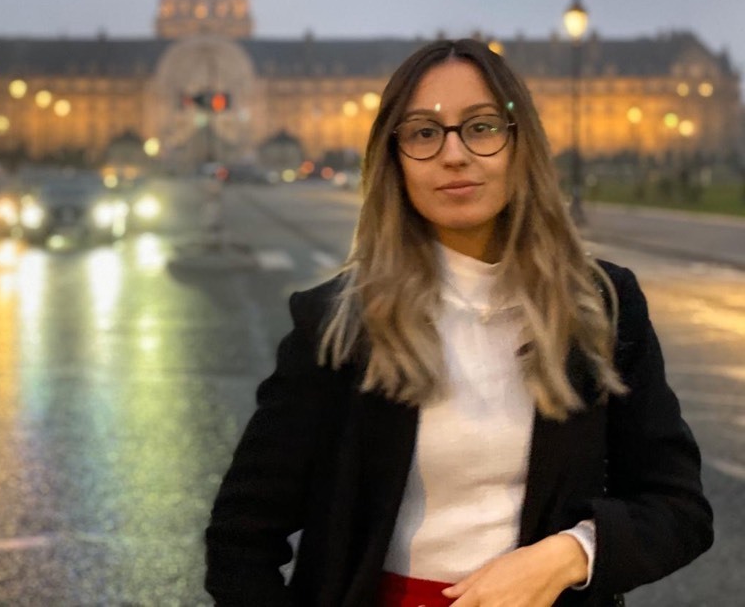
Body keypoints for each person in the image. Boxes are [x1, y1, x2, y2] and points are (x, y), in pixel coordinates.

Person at [205, 38, 713, 606]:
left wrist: (571, 553)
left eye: (481, 127)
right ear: (393, 158)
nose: (454, 155)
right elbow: (241, 539)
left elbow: (678, 508)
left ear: (522, 145)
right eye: (424, 132)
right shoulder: (338, 321)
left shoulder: (601, 304)